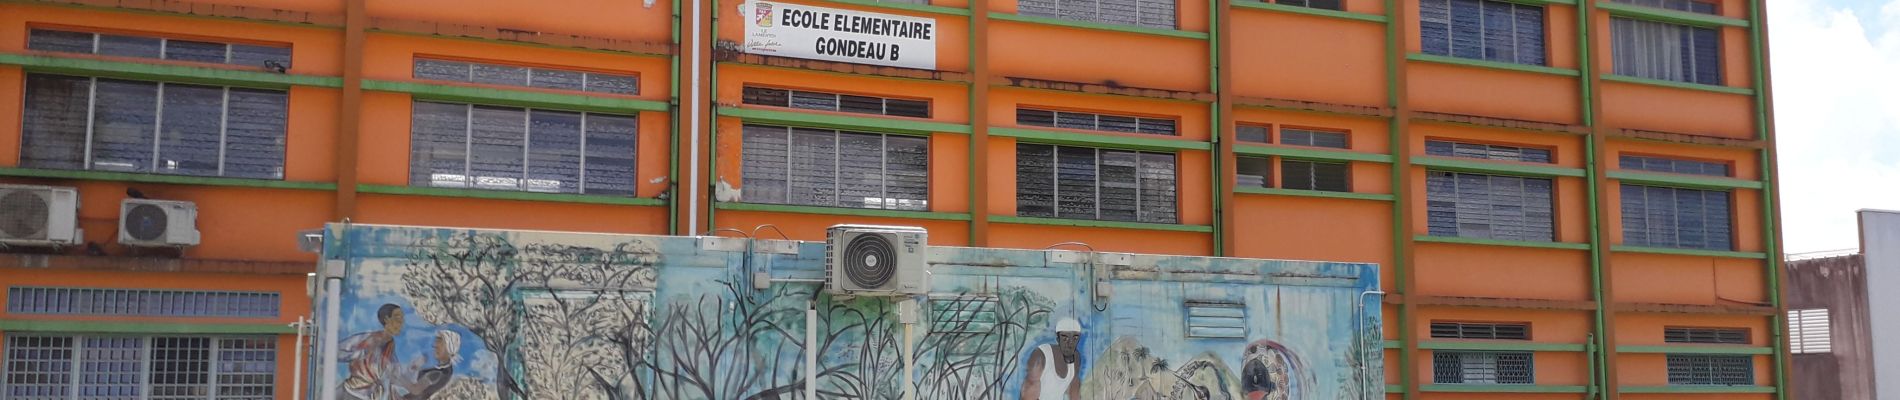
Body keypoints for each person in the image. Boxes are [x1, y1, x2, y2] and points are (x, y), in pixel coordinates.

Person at [339, 304, 404, 400]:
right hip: (351, 392)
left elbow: (393, 376)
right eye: (397, 319)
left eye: (402, 319)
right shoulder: (366, 339)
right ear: (386, 319)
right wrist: (359, 354)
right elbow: (336, 352)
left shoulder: (390, 346)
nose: (401, 323)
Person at [1022, 318, 1083, 400]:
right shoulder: (1041, 355)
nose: (1070, 343)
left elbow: (1074, 388)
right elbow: (1029, 391)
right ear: (1058, 339)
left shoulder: (1076, 357)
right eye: (1065, 338)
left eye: (1074, 338)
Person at [401, 330, 461, 400]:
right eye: (436, 342)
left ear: (449, 348)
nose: (434, 346)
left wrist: (397, 377)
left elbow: (415, 390)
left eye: (439, 342)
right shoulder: (444, 369)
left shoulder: (441, 373)